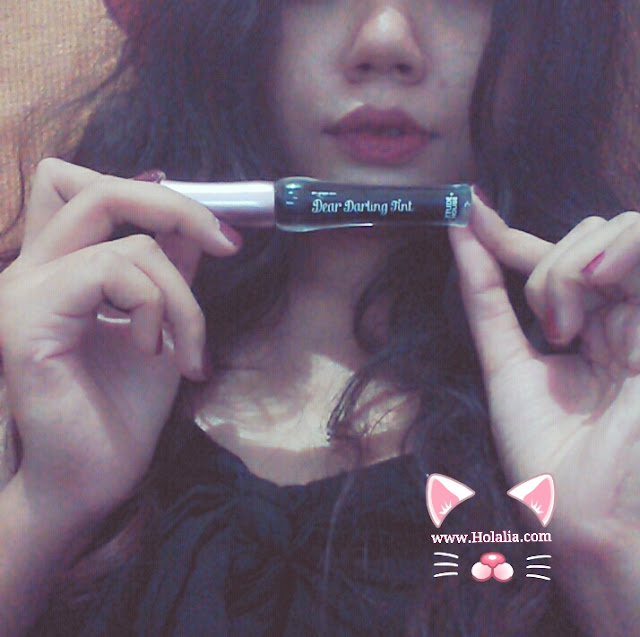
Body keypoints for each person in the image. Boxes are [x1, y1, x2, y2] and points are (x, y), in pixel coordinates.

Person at [1, 0, 639, 634]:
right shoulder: (55, 342)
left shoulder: (608, 381)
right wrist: (45, 504)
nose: (386, 41)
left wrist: (609, 553)